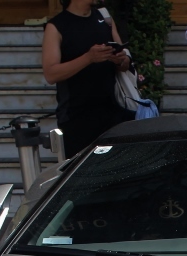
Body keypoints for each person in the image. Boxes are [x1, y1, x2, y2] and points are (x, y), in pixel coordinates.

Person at [43, 0, 136, 157]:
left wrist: (120, 59)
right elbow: (51, 74)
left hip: (113, 114)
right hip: (76, 118)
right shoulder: (56, 26)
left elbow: (125, 62)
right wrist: (88, 58)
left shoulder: (105, 17)